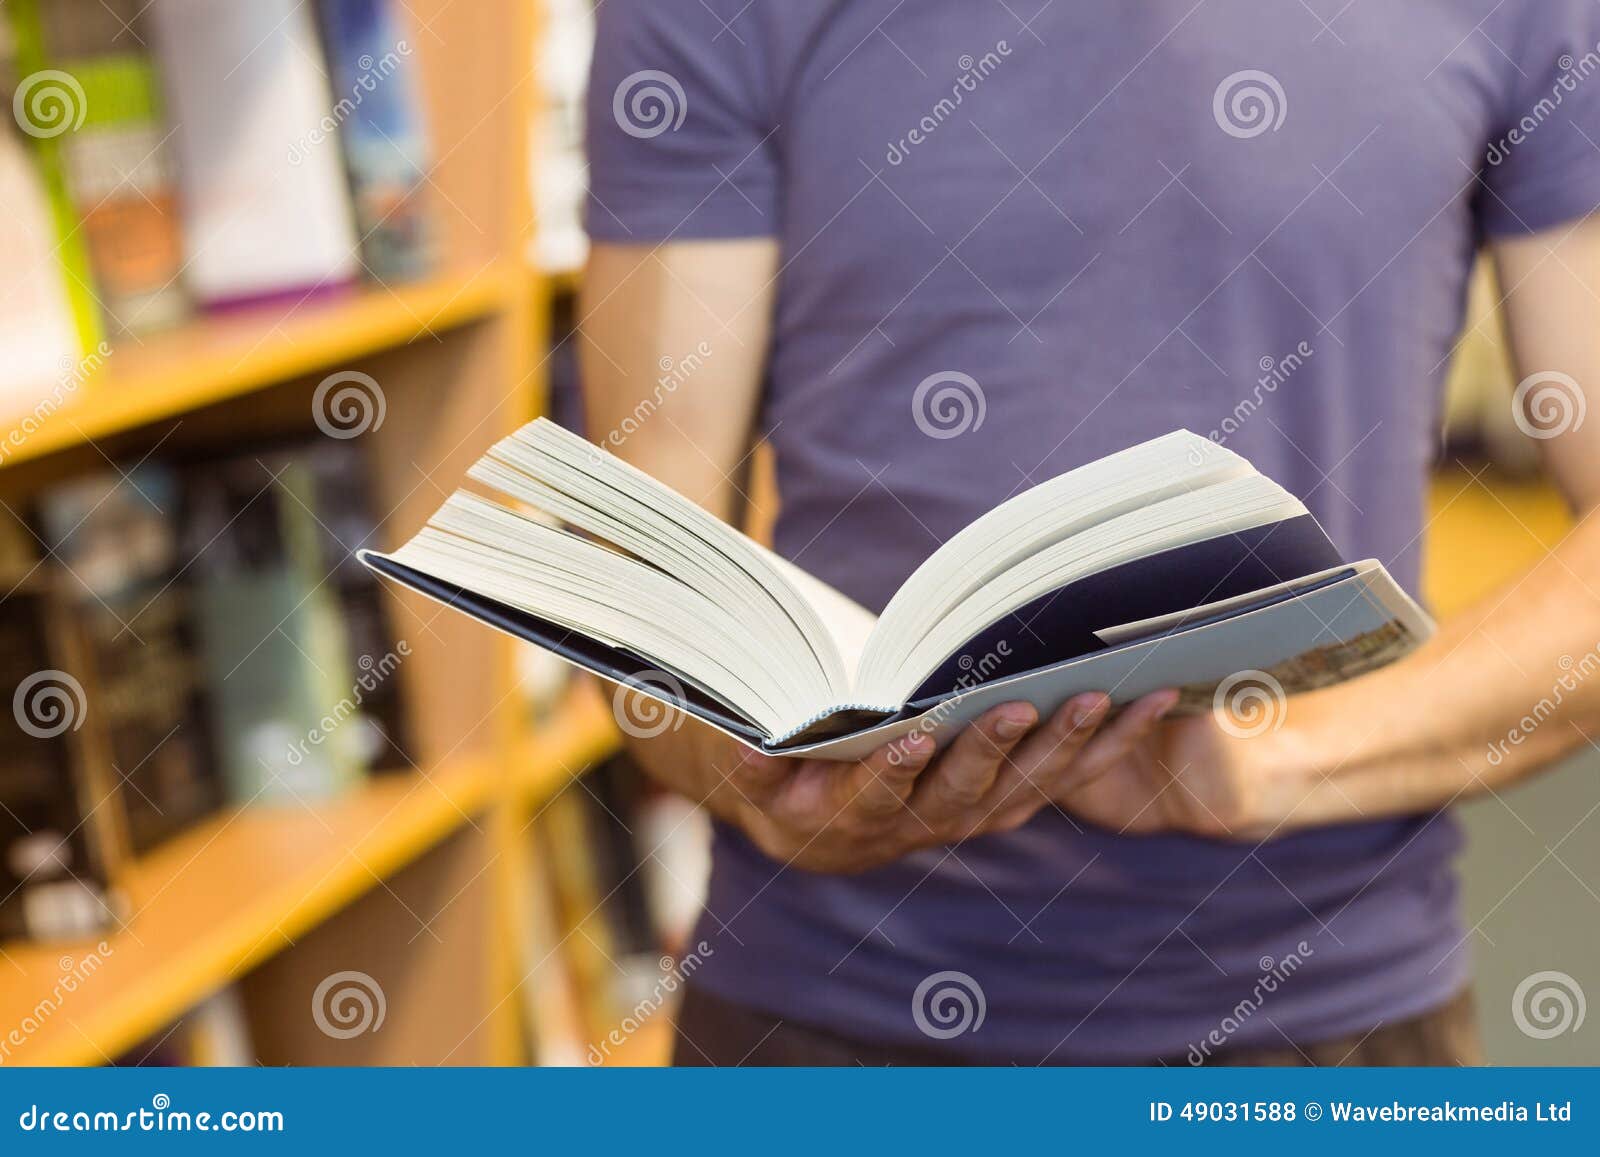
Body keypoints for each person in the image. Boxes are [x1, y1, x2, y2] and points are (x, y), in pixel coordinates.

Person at [579, 0, 1600, 1065]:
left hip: (1323, 1008)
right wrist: (752, 769)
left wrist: (1276, 761)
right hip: (821, 1007)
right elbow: (650, 540)